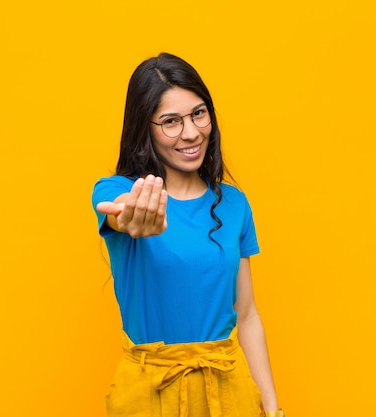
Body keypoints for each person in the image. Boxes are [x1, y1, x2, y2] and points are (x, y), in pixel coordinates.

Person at [92, 52, 283, 417]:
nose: (192, 132)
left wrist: (272, 406)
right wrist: (131, 216)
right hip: (150, 391)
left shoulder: (234, 204)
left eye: (198, 113)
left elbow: (246, 315)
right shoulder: (119, 190)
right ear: (143, 127)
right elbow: (118, 211)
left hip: (229, 388)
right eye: (170, 121)